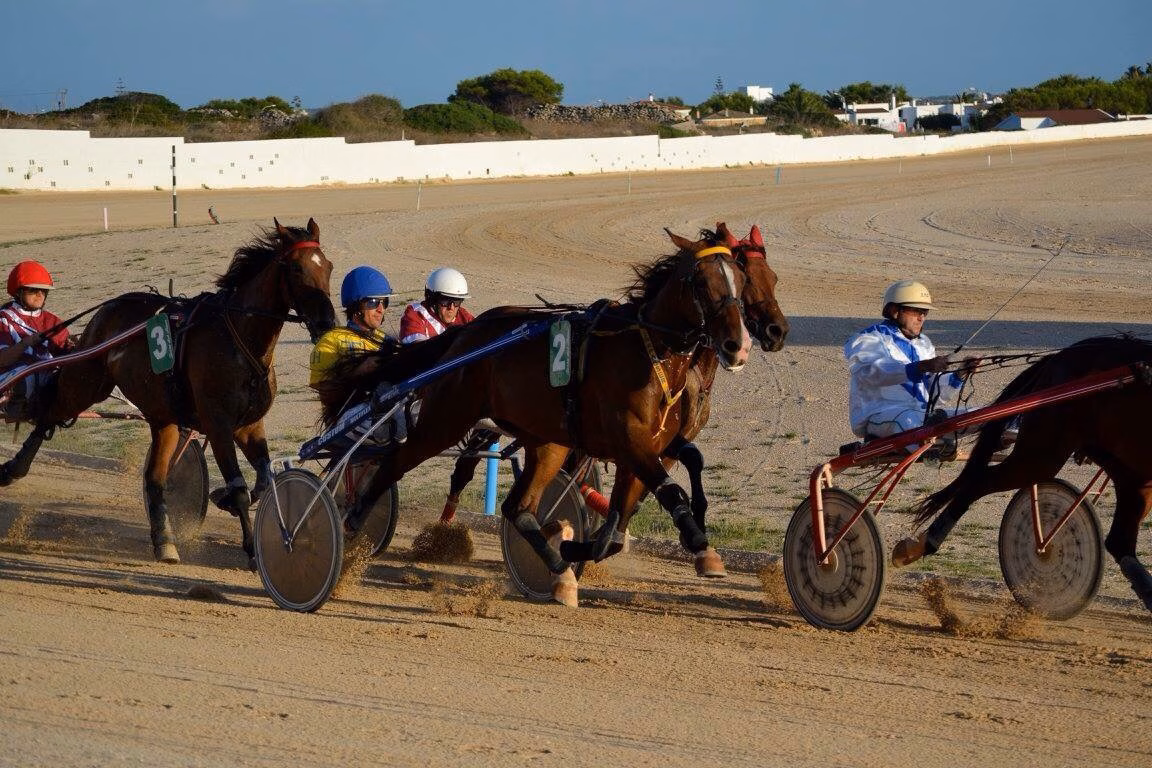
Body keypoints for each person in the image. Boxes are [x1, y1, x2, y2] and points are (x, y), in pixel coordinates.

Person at [399, 267, 493, 523]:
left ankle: (451, 507)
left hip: (458, 400)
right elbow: (420, 356)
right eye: (446, 302)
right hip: (422, 400)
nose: (453, 308)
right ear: (430, 298)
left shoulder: (465, 318)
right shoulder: (413, 315)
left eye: (457, 301)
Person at [845, 280, 977, 454]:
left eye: (925, 312)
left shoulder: (924, 344)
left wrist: (960, 374)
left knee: (983, 413)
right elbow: (871, 373)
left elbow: (936, 394)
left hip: (923, 418)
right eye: (916, 311)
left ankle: (1004, 436)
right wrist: (920, 367)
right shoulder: (867, 338)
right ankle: (932, 446)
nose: (921, 317)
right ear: (894, 311)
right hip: (880, 416)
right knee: (909, 420)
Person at [0, 261, 74, 421]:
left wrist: (75, 347)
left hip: (45, 375)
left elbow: (66, 354)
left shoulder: (53, 321)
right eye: (33, 290)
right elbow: (2, 359)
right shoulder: (4, 319)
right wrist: (28, 342)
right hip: (10, 378)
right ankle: (13, 406)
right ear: (18, 292)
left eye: (44, 290)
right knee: (27, 374)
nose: (40, 294)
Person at [399, 266, 475, 344]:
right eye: (445, 301)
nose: (451, 307)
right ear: (432, 299)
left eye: (457, 301)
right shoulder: (416, 314)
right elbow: (417, 348)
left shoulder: (463, 315)